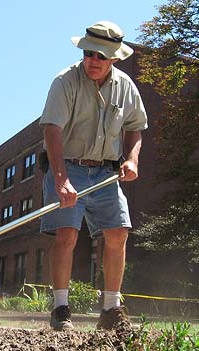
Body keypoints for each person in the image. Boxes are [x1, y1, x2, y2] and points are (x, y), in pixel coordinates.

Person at [39, 20, 148, 332]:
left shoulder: (126, 86)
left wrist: (131, 159)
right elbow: (52, 130)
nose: (93, 61)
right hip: (68, 165)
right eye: (89, 53)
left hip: (104, 173)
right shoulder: (65, 81)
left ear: (114, 57)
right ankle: (61, 307)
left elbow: (134, 128)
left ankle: (111, 310)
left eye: (101, 56)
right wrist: (61, 178)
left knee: (118, 233)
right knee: (67, 234)